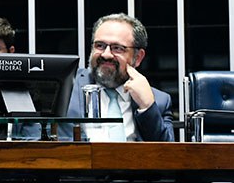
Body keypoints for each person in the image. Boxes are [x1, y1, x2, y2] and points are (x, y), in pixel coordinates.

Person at [60, 13, 174, 141]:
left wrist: (147, 107)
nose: (106, 54)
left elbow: (168, 156)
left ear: (138, 57)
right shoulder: (66, 88)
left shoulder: (159, 101)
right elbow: (36, 140)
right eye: (100, 46)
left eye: (117, 48)